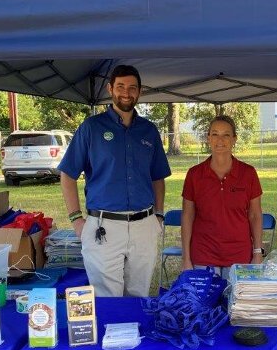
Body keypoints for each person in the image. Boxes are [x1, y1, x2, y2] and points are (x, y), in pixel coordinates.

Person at [58, 65, 171, 297]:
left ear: (139, 92)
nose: (126, 93)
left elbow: (158, 177)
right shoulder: (91, 128)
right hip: (103, 227)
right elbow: (68, 175)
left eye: (132, 88)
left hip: (144, 225)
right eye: (120, 87)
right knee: (107, 298)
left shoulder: (149, 131)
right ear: (110, 89)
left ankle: (133, 334)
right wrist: (76, 219)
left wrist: (158, 215)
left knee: (138, 295)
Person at [181, 115, 264, 279]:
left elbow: (255, 215)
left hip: (239, 255)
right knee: (204, 304)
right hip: (203, 254)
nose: (220, 140)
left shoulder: (248, 173)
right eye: (215, 134)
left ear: (234, 139)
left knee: (234, 304)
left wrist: (257, 252)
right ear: (208, 138)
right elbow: (187, 216)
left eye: (226, 134)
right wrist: (186, 258)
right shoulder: (194, 174)